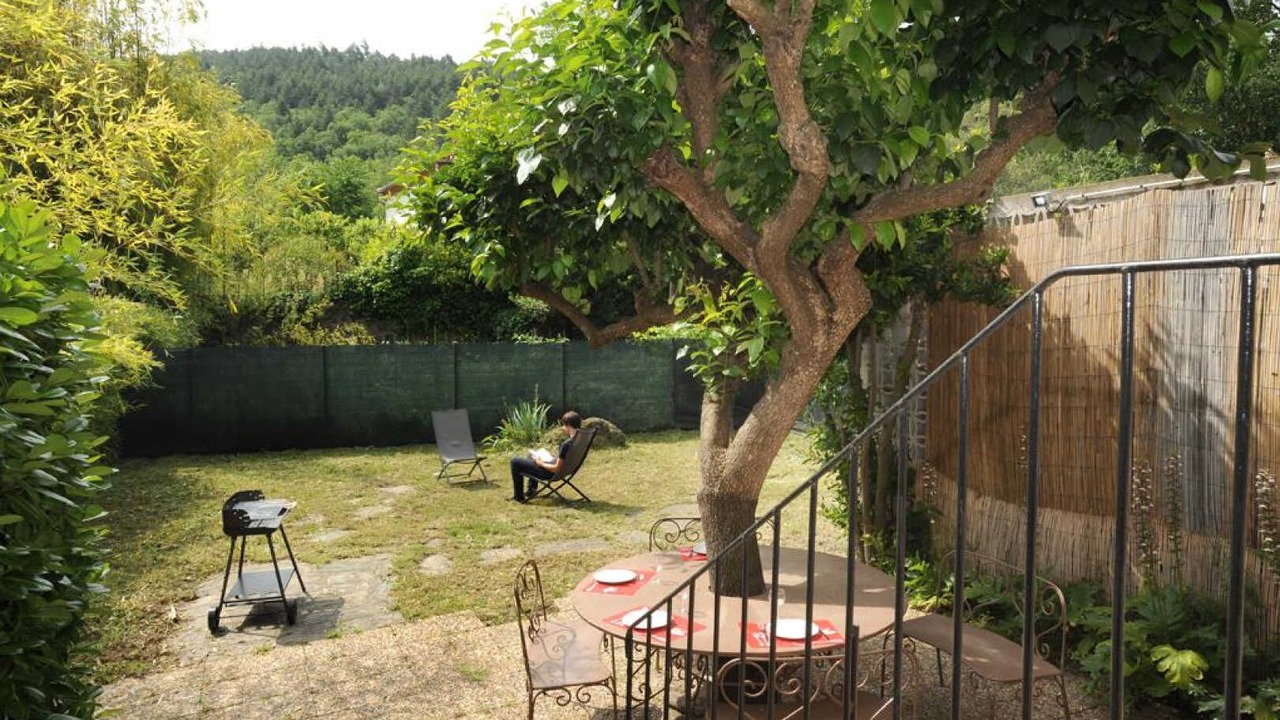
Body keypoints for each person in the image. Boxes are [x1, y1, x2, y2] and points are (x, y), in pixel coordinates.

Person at [510, 411, 581, 502]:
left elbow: (555, 469)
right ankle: (531, 489)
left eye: (564, 425)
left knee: (515, 462)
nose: (563, 428)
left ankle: (519, 497)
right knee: (532, 455)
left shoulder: (566, 444)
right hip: (565, 469)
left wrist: (540, 463)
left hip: (550, 473)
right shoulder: (579, 439)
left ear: (568, 425)